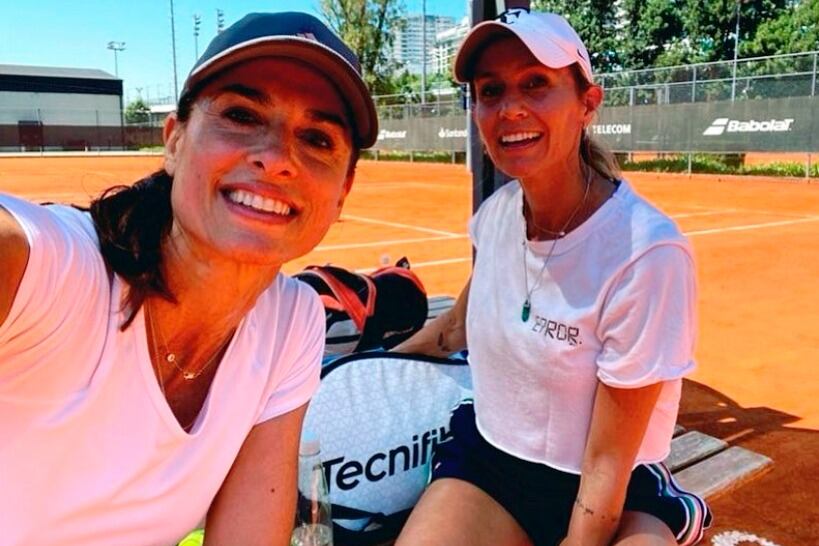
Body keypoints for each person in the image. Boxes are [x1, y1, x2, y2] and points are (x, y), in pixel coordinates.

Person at [0, 12, 376, 546]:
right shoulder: (53, 268)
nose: (275, 158)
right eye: (242, 115)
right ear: (174, 142)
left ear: (343, 191)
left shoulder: (292, 320)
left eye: (316, 138)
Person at [394, 9, 711, 546]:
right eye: (490, 91)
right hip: (494, 466)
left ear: (588, 103)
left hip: (615, 486)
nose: (510, 108)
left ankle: (673, 511)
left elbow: (609, 459)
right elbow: (455, 328)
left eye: (536, 84)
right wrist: (354, 372)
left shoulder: (646, 253)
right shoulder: (495, 216)